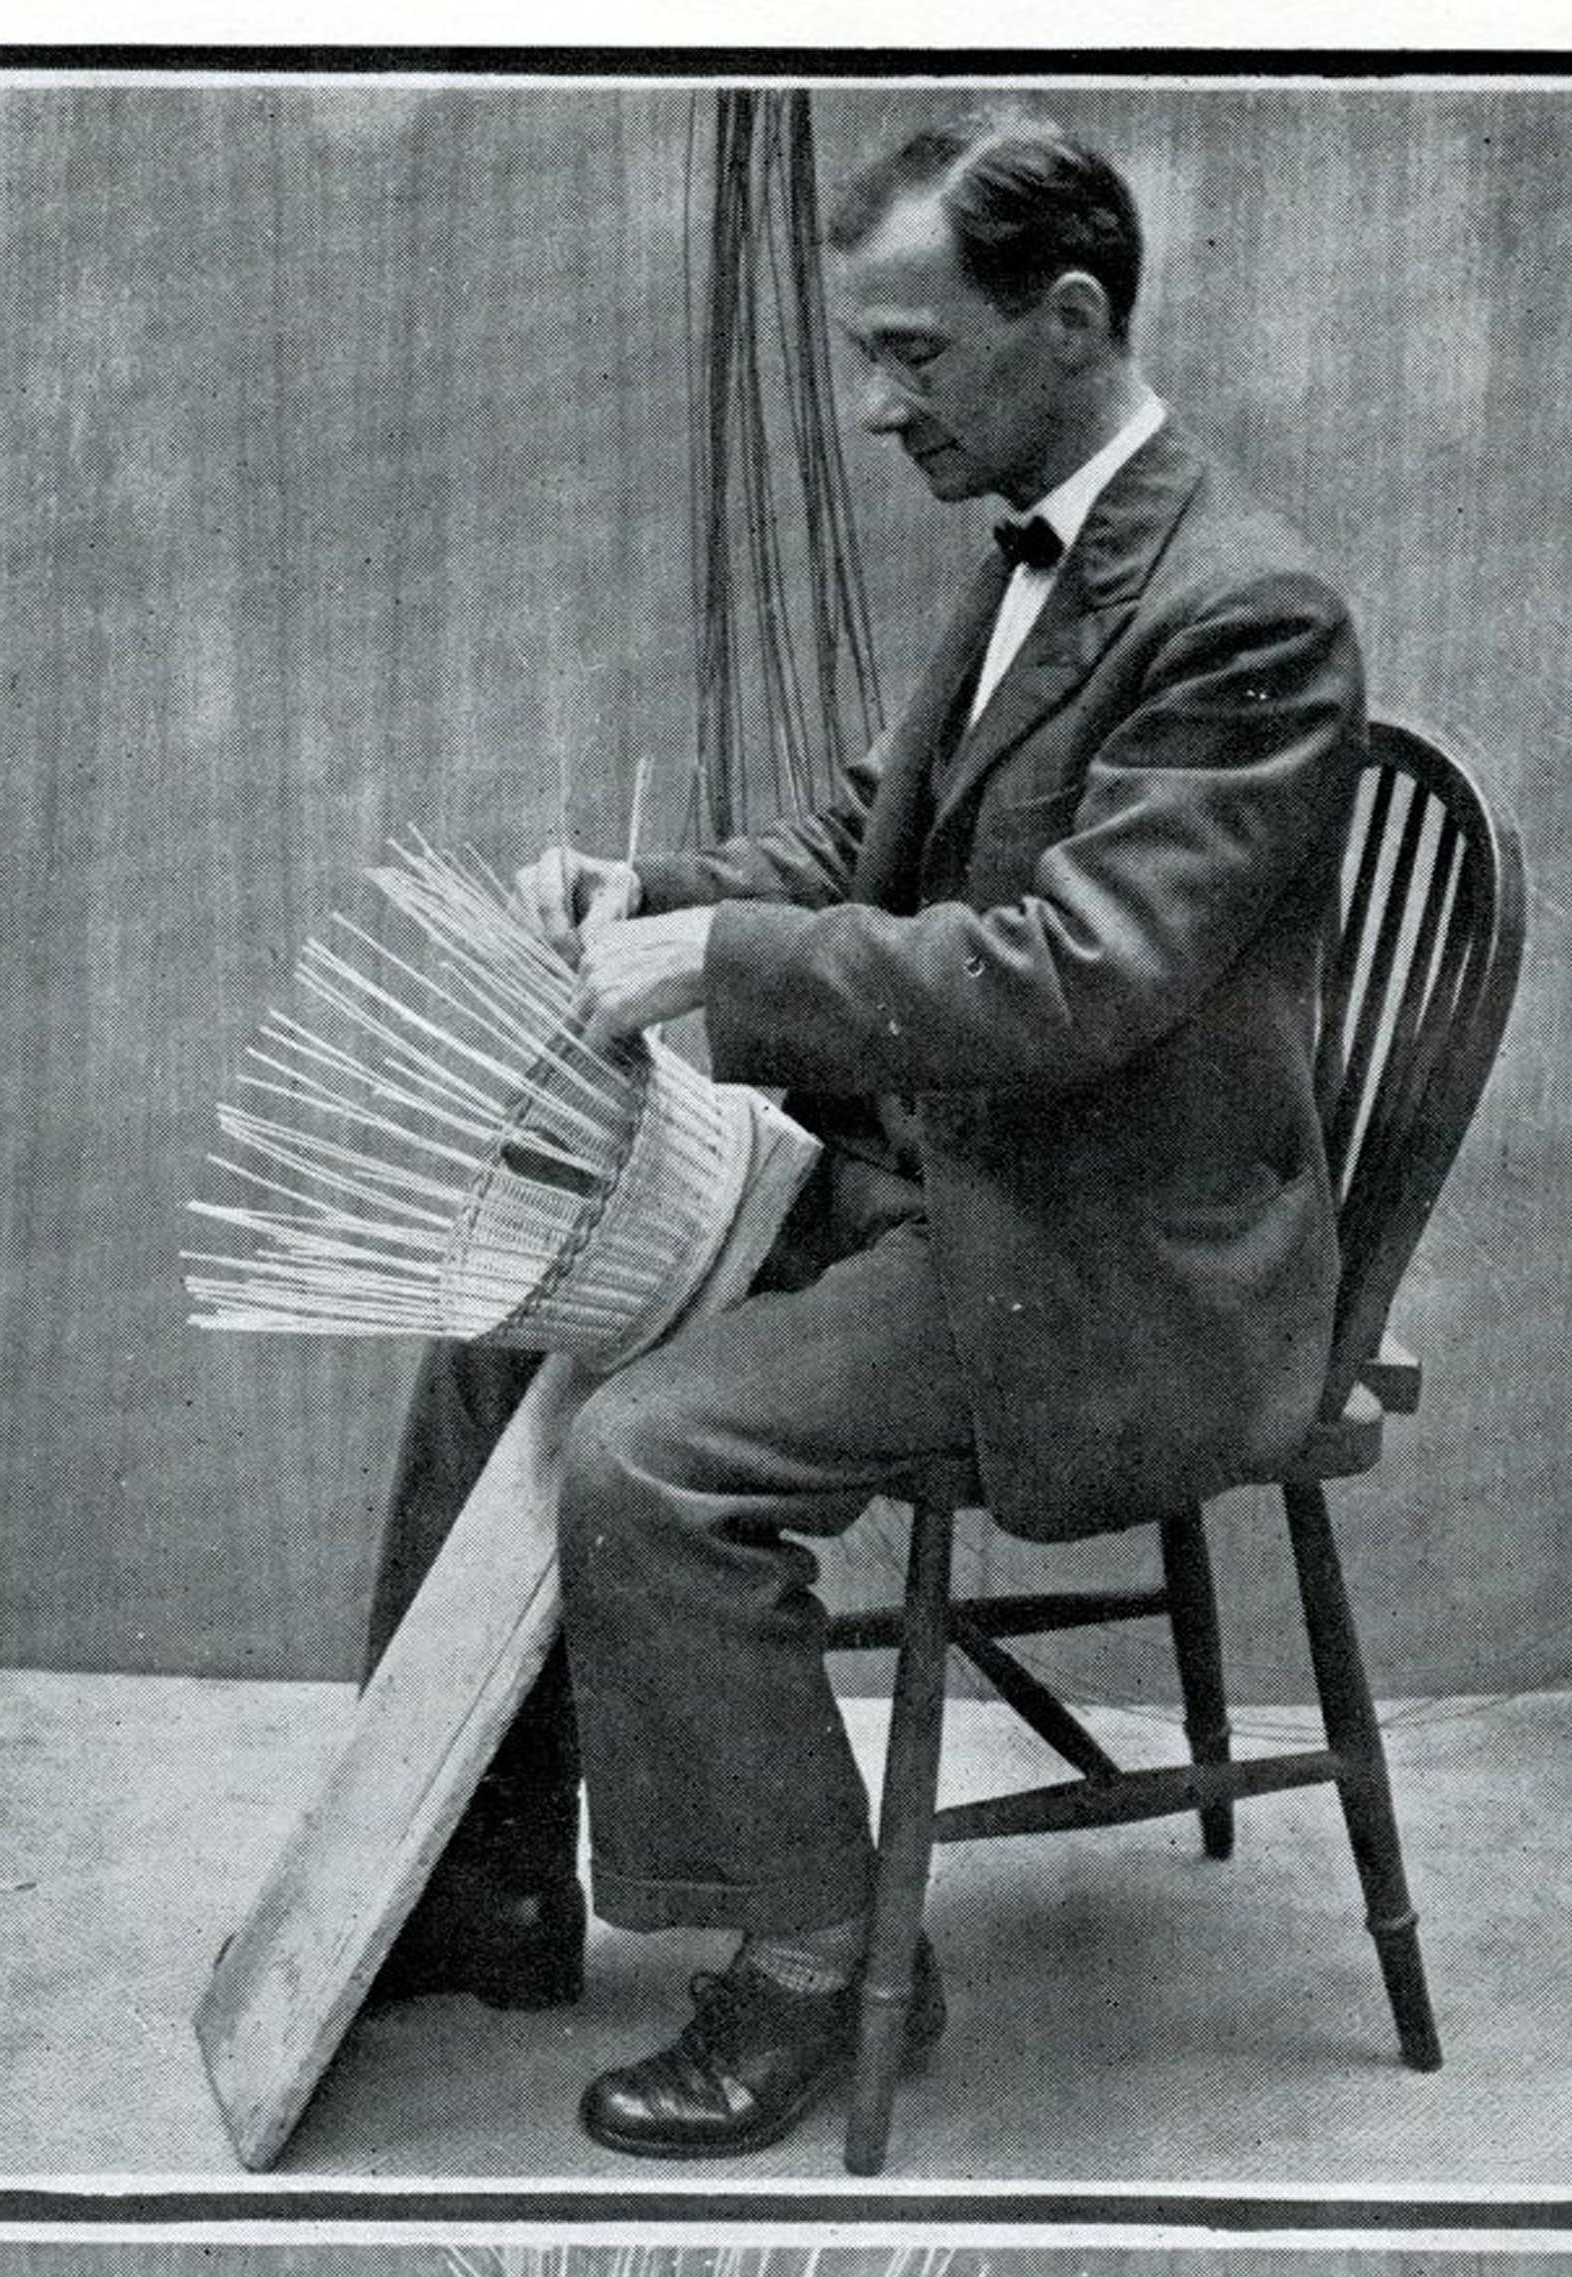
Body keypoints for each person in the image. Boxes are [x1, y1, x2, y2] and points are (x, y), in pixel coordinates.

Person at [363, 108, 1366, 2161]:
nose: (873, 399)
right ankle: (469, 1878)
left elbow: (1064, 980)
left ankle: (825, 1970)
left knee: (655, 1458)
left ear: (1069, 318)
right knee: (503, 1310)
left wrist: (731, 955)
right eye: (865, 350)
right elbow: (871, 847)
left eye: (912, 351)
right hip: (969, 1185)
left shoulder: (1243, 613)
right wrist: (655, 890)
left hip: (1115, 1259)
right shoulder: (1049, 547)